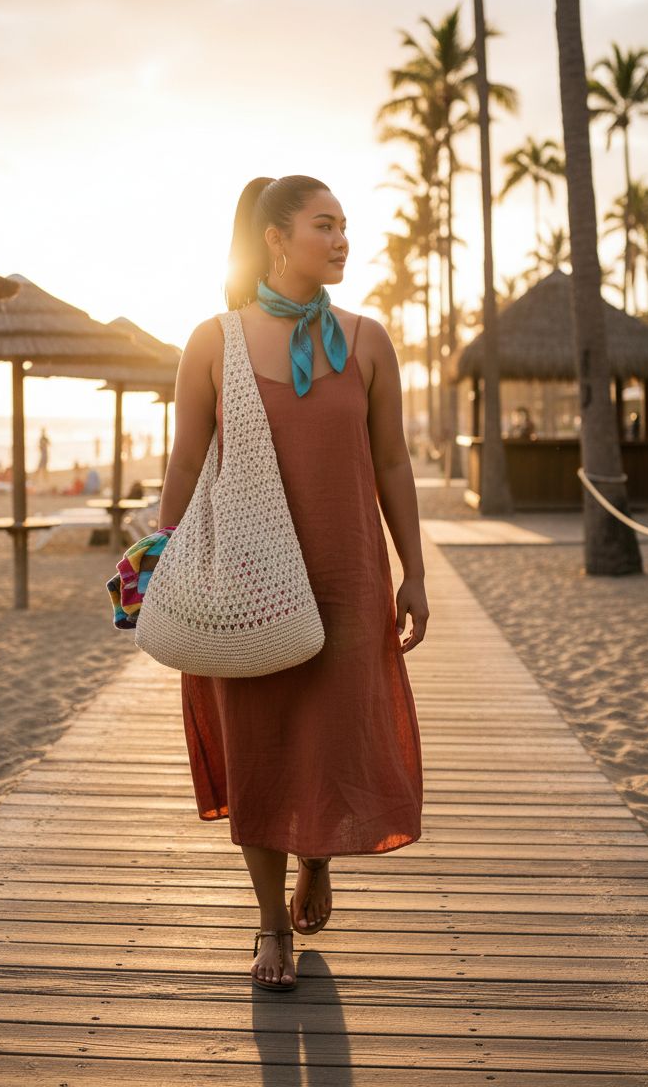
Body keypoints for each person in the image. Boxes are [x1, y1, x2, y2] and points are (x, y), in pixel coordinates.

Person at [159, 176, 427, 991]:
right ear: (276, 238)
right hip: (245, 580)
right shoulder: (213, 341)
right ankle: (270, 924)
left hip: (346, 572)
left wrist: (413, 568)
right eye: (325, 226)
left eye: (346, 226)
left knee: (331, 735)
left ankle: (318, 857)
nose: (343, 240)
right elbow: (184, 460)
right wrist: (160, 564)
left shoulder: (367, 338)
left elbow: (391, 460)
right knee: (261, 748)